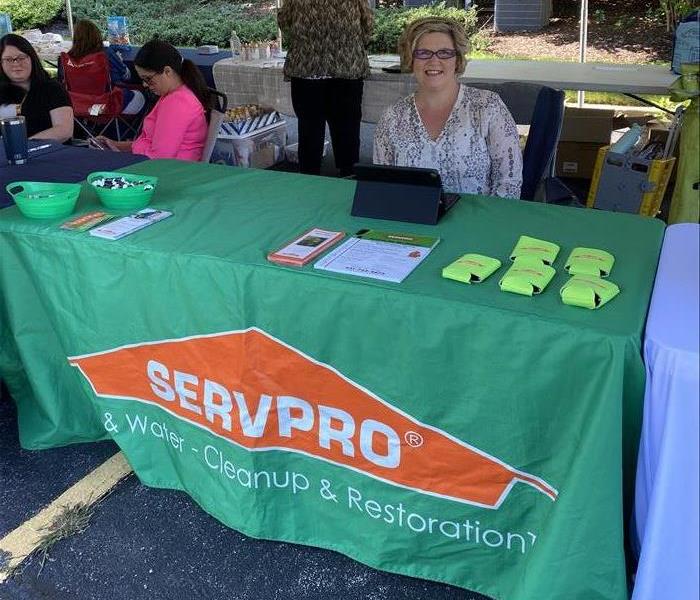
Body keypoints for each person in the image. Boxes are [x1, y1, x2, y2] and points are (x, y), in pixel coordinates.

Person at [373, 17, 522, 199]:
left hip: (479, 222)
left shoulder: (488, 107)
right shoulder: (392, 117)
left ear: (457, 59)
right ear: (411, 60)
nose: (434, 61)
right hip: (412, 222)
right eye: (423, 53)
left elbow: (509, 183)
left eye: (444, 53)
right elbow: (382, 186)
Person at [278, 0, 373, 177]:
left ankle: (310, 177)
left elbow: (284, 21)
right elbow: (367, 25)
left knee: (309, 130)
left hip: (307, 70)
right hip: (346, 68)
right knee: (347, 129)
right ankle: (349, 175)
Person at [95, 41, 212, 161]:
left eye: (148, 79)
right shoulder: (174, 96)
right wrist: (115, 145)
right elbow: (154, 146)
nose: (145, 84)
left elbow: (159, 157)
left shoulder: (177, 103)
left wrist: (130, 149)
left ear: (167, 72)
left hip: (169, 173)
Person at [0, 34, 73, 142]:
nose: (16, 64)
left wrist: (24, 146)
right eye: (8, 59)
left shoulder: (52, 89)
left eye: (21, 58)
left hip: (47, 154)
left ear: (32, 58)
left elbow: (64, 131)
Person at [65, 19, 145, 115]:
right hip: (108, 105)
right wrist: (119, 60)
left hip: (79, 107)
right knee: (143, 96)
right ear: (97, 35)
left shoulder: (68, 59)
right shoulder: (106, 53)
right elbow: (126, 75)